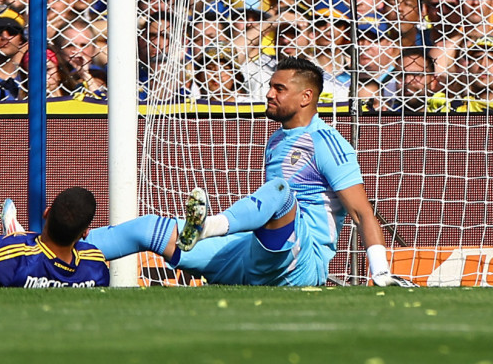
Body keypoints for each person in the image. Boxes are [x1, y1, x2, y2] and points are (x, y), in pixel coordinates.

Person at [77, 57, 416, 287]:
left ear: (306, 97)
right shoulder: (276, 139)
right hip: (252, 252)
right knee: (146, 228)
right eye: (270, 86)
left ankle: (207, 227)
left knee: (280, 191)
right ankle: (52, 254)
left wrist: (381, 272)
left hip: (301, 263)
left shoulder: (327, 142)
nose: (268, 93)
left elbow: (361, 212)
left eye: (279, 89)